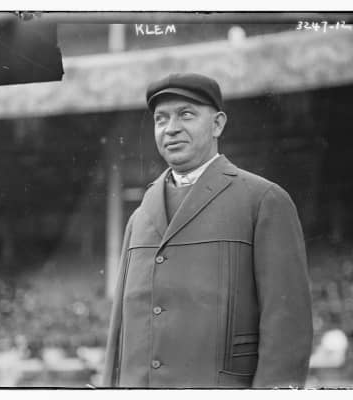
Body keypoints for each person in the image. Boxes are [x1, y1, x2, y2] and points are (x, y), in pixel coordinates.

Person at [102, 72, 312, 388]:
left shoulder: (264, 200)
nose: (171, 128)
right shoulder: (140, 217)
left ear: (217, 124)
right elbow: (118, 336)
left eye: (186, 114)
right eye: (161, 119)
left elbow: (287, 330)